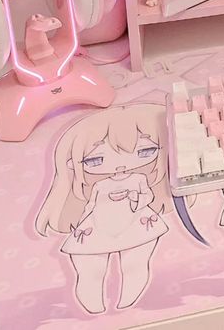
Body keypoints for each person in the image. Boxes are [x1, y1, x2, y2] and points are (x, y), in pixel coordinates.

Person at [35, 105, 169, 314]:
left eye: (146, 151)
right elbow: (90, 205)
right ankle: (93, 303)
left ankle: (127, 300)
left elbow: (148, 196)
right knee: (90, 270)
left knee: (135, 264)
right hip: (99, 223)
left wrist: (136, 199)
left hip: (137, 221)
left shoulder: (139, 179)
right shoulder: (99, 185)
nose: (120, 167)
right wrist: (82, 222)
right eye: (95, 160)